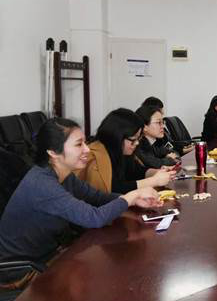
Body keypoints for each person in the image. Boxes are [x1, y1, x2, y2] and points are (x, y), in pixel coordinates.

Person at [0, 118, 162, 263]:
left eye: (85, 142)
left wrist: (133, 200)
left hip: (47, 255)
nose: (87, 149)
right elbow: (94, 218)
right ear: (53, 152)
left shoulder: (64, 175)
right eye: (79, 144)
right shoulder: (43, 185)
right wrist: (131, 196)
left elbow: (97, 197)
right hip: (22, 270)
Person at [78, 108, 175, 194]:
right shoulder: (96, 157)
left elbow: (137, 171)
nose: (137, 143)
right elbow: (112, 190)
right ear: (117, 137)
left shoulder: (123, 151)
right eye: (133, 140)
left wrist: (156, 172)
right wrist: (153, 181)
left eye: (138, 139)